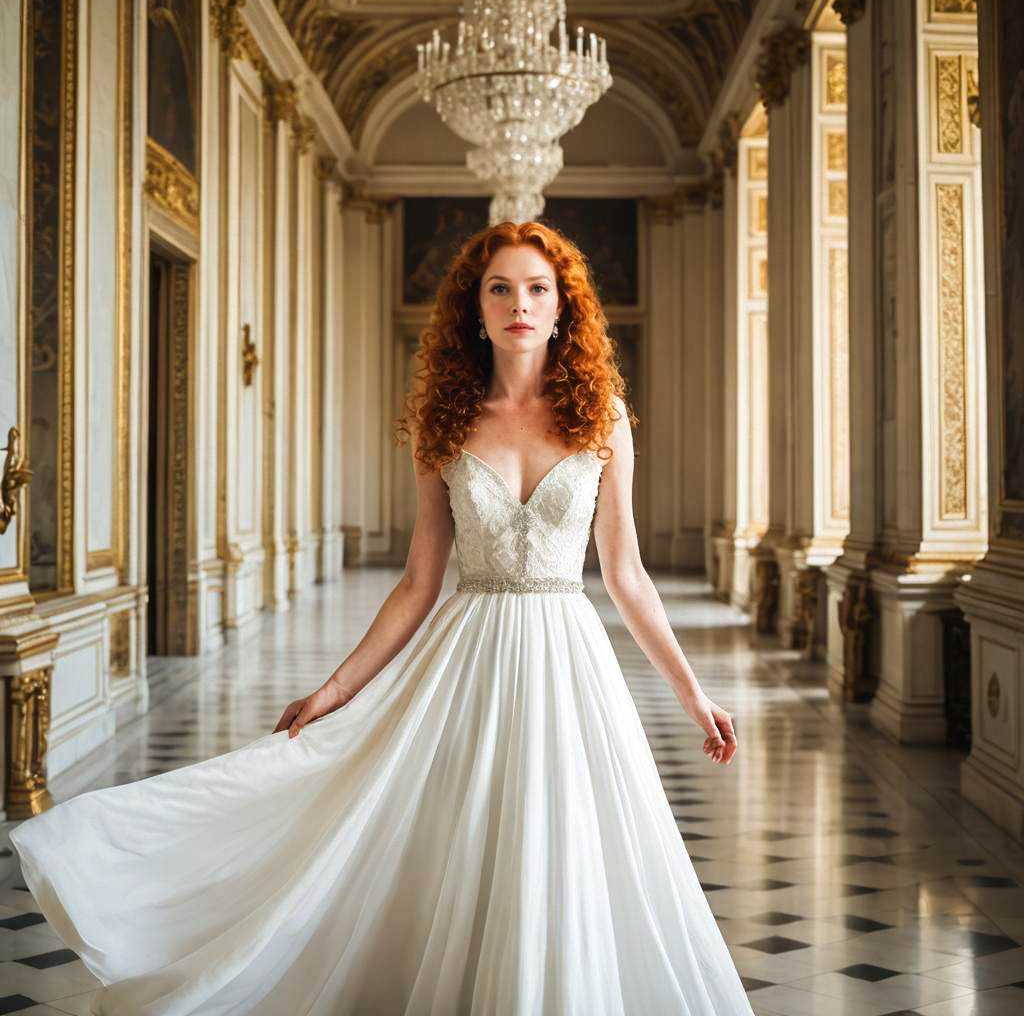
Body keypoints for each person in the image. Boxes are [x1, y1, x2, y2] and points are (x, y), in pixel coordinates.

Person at [9, 220, 752, 1015]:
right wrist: (336, 689)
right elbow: (418, 580)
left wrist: (691, 696)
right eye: (500, 287)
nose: (519, 304)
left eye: (539, 289)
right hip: (465, 663)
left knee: (565, 847)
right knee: (454, 843)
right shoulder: (446, 418)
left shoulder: (602, 416)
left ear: (565, 307)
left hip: (570, 665)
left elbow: (627, 572)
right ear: (476, 307)